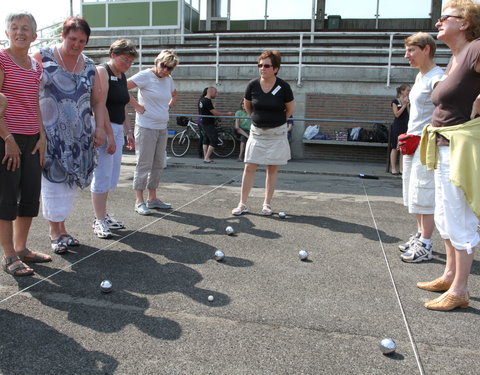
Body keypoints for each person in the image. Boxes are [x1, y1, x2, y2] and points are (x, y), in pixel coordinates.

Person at [417, 0, 480, 311]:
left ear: (465, 23)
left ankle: (460, 290)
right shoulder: (456, 57)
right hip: (444, 144)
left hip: (461, 146)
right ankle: (450, 274)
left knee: (460, 219)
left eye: (447, 17)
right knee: (444, 215)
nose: (439, 21)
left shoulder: (476, 48)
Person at [33, 16, 106, 254]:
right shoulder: (42, 57)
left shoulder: (89, 65)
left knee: (69, 186)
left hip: (80, 136)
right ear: (63, 35)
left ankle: (63, 229)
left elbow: (97, 102)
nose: (76, 44)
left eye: (82, 41)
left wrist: (101, 128)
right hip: (51, 135)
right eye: (72, 39)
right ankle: (55, 233)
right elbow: (29, 95)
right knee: (53, 183)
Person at [0, 12, 52, 276]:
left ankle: (21, 249)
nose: (20, 32)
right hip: (6, 139)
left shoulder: (36, 66)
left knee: (30, 196)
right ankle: (9, 256)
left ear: (35, 35)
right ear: (7, 32)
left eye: (26, 28)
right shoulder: (0, 59)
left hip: (32, 139)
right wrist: (7, 139)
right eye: (14, 27)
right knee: (6, 198)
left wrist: (42, 136)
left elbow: (34, 104)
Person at [399, 32, 444, 263]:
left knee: (425, 191)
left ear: (426, 49)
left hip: (426, 143)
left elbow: (447, 101)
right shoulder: (420, 76)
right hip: (412, 141)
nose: (407, 56)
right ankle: (419, 235)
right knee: (413, 192)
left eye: (411, 50)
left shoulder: (437, 77)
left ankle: (425, 243)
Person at [232, 50, 294, 216]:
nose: (262, 68)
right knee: (249, 167)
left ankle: (267, 204)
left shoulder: (283, 87)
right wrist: (257, 119)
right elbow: (248, 106)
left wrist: (275, 122)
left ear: (275, 68)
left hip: (276, 134)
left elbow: (289, 110)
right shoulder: (252, 85)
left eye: (266, 66)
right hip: (257, 133)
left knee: (272, 168)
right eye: (260, 65)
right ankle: (242, 204)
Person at [90, 39, 137, 238]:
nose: (127, 64)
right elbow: (100, 105)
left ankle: (104, 215)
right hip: (103, 127)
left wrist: (128, 131)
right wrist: (108, 134)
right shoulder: (103, 72)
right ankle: (98, 220)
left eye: (130, 61)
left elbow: (123, 106)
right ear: (113, 55)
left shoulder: (122, 74)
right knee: (101, 175)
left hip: (118, 128)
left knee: (111, 176)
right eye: (123, 59)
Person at [127, 49, 178, 216]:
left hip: (161, 127)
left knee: (158, 164)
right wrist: (136, 106)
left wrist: (169, 104)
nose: (165, 70)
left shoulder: (168, 79)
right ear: (157, 62)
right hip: (146, 126)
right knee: (144, 163)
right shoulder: (145, 75)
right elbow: (122, 87)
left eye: (169, 68)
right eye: (163, 65)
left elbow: (174, 94)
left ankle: (153, 198)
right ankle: (138, 201)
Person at [198, 86, 233, 163]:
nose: (216, 94)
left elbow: (207, 111)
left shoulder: (201, 100)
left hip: (202, 123)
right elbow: (215, 113)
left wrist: (213, 107)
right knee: (214, 140)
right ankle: (207, 158)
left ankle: (205, 157)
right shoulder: (207, 101)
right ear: (210, 92)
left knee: (205, 140)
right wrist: (227, 114)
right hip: (207, 124)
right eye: (215, 92)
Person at [389, 84, 410, 175]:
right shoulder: (395, 101)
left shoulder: (410, 101)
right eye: (407, 90)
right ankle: (393, 168)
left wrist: (408, 105)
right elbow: (397, 114)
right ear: (402, 91)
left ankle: (402, 168)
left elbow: (410, 114)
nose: (409, 92)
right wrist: (404, 106)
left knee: (403, 148)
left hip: (406, 126)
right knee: (395, 147)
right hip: (397, 126)